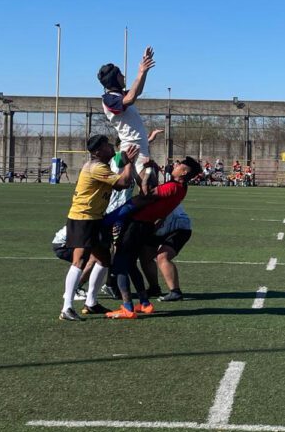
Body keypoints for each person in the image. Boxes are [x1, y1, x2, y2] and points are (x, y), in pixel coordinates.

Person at [105, 156, 202, 319]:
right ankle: (144, 303)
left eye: (179, 165)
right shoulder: (179, 186)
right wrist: (154, 168)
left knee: (121, 263)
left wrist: (146, 169)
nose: (176, 165)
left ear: (184, 172)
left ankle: (128, 307)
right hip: (144, 226)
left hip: (137, 225)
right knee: (130, 264)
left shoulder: (174, 187)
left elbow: (146, 193)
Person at [59, 135, 138, 321]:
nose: (111, 148)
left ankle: (91, 303)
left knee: (103, 259)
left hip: (95, 218)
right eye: (106, 146)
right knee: (79, 261)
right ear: (97, 152)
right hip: (83, 217)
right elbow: (123, 183)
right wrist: (128, 163)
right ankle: (67, 307)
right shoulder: (96, 167)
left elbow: (118, 187)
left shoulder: (103, 167)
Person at [98, 46, 155, 190]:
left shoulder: (119, 95)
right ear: (114, 79)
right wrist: (140, 72)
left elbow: (137, 91)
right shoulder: (109, 99)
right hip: (132, 147)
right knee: (145, 188)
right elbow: (130, 99)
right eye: (121, 74)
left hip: (140, 145)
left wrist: (144, 72)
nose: (123, 76)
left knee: (150, 188)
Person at [140, 205, 193, 302]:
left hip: (179, 227)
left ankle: (175, 292)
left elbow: (160, 217)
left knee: (163, 257)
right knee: (145, 256)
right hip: (160, 230)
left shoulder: (161, 193)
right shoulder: (146, 194)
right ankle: (154, 288)